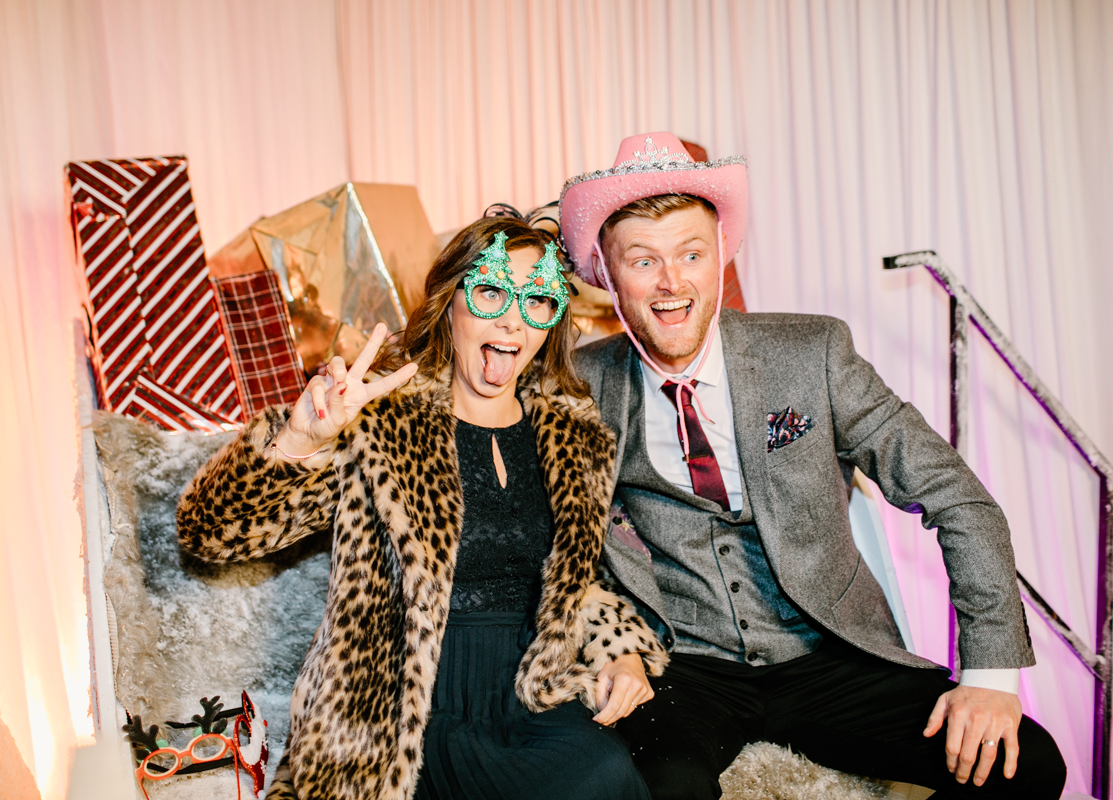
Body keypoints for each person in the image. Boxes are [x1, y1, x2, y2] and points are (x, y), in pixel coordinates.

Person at [560, 132, 1067, 799]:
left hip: (829, 657)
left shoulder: (813, 353)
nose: (671, 282)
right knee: (658, 786)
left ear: (721, 257)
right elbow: (539, 544)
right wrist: (609, 644)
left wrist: (992, 677)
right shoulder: (576, 384)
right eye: (643, 260)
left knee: (1025, 764)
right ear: (606, 270)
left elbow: (956, 497)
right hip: (684, 667)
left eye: (690, 253)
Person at [176, 214, 667, 800]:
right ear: (449, 302)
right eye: (490, 291)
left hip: (534, 690)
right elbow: (210, 533)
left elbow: (586, 581)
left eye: (538, 300)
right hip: (402, 703)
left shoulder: (576, 436)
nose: (513, 318)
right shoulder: (381, 424)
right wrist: (301, 439)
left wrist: (624, 653)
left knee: (606, 773)